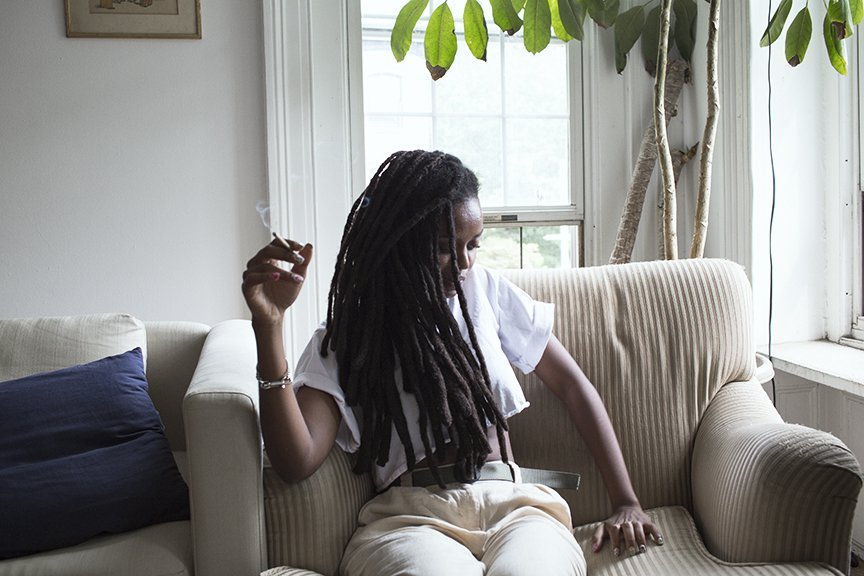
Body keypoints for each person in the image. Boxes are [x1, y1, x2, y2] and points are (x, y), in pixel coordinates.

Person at [242, 150, 662, 575]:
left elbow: (572, 385)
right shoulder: (350, 336)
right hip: (412, 520)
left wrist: (626, 500)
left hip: (515, 507)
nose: (464, 263)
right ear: (400, 241)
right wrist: (268, 326)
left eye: (473, 244)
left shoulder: (487, 291)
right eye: (444, 248)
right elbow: (296, 460)